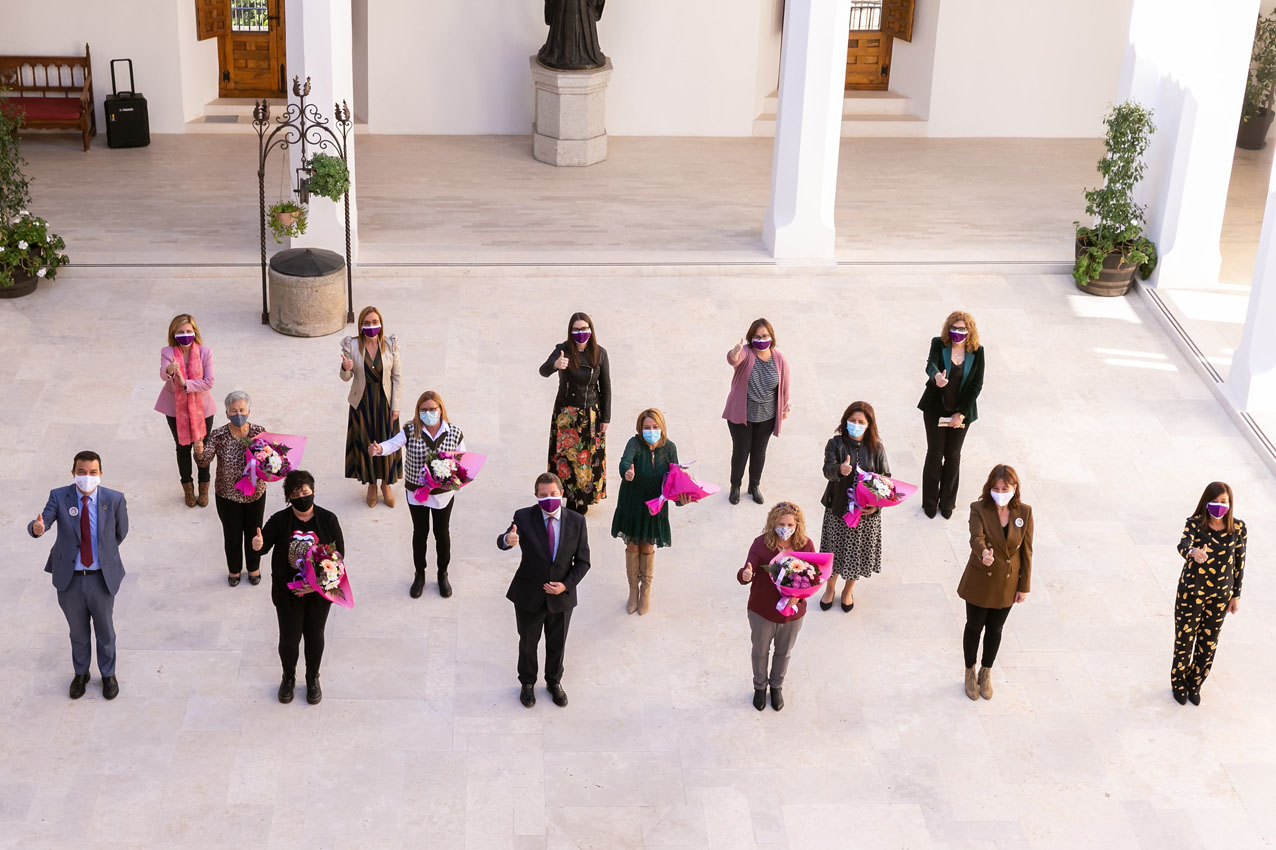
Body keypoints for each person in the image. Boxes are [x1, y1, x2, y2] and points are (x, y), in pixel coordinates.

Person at [26, 451, 129, 700]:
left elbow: (120, 532)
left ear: (101, 474)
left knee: (105, 631)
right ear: (73, 473)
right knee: (78, 631)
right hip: (70, 579)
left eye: (92, 473)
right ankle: (80, 674)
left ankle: (108, 675)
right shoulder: (60, 496)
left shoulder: (114, 500)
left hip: (101, 578)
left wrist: (102, 554)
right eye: (81, 472)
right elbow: (43, 521)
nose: (87, 477)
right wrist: (37, 528)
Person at [498, 472, 592, 708]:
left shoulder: (577, 522)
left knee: (557, 643)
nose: (548, 499)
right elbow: (505, 539)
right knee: (528, 642)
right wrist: (507, 540)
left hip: (561, 597)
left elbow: (583, 562)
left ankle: (554, 681)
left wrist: (565, 585)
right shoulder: (523, 517)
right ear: (536, 496)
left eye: (552, 494)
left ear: (561, 493)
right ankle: (527, 683)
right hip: (529, 594)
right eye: (543, 495)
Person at [252, 470, 345, 705]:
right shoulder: (280, 520)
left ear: (313, 491)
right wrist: (258, 545)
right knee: (289, 639)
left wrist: (314, 585)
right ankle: (288, 677)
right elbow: (263, 547)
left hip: (318, 594)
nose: (301, 497)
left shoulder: (328, 519)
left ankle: (313, 677)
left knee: (315, 636)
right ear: (288, 497)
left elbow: (338, 556)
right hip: (288, 594)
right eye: (295, 493)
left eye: (305, 492)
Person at [369, 390, 466, 599]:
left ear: (440, 409)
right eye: (424, 410)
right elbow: (393, 444)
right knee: (420, 533)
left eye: (433, 409)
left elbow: (463, 460)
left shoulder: (454, 432)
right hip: (417, 493)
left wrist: (456, 476)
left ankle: (442, 573)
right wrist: (379, 449)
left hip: (442, 495)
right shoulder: (410, 430)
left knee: (442, 534)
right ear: (418, 411)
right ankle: (419, 574)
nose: (429, 413)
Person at [956, 464, 1032, 701]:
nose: (1000, 492)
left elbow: (1026, 551)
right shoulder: (979, 508)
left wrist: (1023, 586)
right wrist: (983, 553)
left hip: (1007, 582)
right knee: (974, 626)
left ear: (1014, 488)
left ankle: (985, 672)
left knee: (995, 629)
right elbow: (976, 537)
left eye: (1005, 488)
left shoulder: (1025, 513)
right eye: (996, 488)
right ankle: (969, 670)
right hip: (981, 578)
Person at [1172, 482, 1247, 706]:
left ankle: (1195, 683)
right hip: (1191, 593)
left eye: (1224, 502)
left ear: (1230, 503)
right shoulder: (1195, 524)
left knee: (1209, 642)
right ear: (1206, 502)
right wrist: (1193, 552)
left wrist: (1236, 595)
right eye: (1214, 501)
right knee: (1185, 640)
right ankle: (1179, 683)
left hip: (1220, 597)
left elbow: (1239, 563)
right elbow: (1183, 544)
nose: (1219, 506)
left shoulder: (1238, 528)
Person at [737, 501, 814, 712]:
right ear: (773, 523)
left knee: (784, 651)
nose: (786, 528)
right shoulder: (761, 544)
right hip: (763, 610)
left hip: (792, 613)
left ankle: (776, 686)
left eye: (790, 524)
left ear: (797, 525)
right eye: (782, 523)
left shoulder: (805, 545)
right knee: (760, 651)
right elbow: (747, 572)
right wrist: (745, 575)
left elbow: (813, 577)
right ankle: (759, 687)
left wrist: (797, 598)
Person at [611, 408, 689, 615]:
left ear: (662, 428)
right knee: (633, 545)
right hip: (632, 504)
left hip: (655, 507)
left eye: (655, 427)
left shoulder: (670, 448)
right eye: (646, 427)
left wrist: (682, 499)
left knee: (647, 547)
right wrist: (627, 472)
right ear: (640, 429)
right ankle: (632, 591)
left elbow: (674, 479)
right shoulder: (634, 443)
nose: (651, 431)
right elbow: (624, 461)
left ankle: (645, 590)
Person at [818, 401, 890, 612]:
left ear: (869, 425)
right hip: (838, 509)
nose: (856, 425)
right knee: (833, 552)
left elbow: (886, 481)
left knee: (855, 556)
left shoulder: (877, 448)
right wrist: (840, 469)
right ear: (845, 421)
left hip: (865, 514)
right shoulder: (835, 443)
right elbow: (827, 470)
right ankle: (830, 588)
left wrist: (877, 507)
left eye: (861, 421)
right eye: (852, 420)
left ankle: (848, 591)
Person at [193, 390, 267, 587]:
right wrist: (198, 450)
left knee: (254, 532)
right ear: (226, 414)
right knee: (232, 534)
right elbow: (204, 461)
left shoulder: (259, 432)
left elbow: (269, 460)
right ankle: (234, 570)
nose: (238, 414)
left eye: (242, 410)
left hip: (255, 495)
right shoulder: (218, 435)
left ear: (249, 411)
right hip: (227, 495)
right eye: (233, 410)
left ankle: (254, 568)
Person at [539, 312, 611, 515]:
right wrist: (555, 365)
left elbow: (605, 386)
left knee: (588, 457)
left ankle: (585, 496)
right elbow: (543, 370)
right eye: (577, 329)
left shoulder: (600, 353)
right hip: (566, 413)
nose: (581, 333)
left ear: (591, 330)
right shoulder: (562, 350)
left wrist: (606, 417)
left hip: (591, 413)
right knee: (567, 457)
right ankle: (570, 496)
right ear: (571, 331)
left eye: (584, 328)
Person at [917, 311, 985, 519]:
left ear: (969, 330)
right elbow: (931, 364)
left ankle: (947, 503)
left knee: (953, 456)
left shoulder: (977, 351)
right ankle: (929, 502)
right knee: (935, 454)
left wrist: (961, 414)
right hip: (936, 409)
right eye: (954, 328)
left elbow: (976, 384)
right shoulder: (939, 344)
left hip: (960, 412)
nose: (958, 332)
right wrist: (936, 375)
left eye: (962, 329)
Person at [723, 318, 791, 505]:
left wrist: (784, 408)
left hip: (767, 416)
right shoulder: (746, 353)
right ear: (751, 339)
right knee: (741, 450)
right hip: (742, 414)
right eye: (757, 337)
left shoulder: (779, 359)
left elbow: (784, 386)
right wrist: (734, 353)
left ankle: (754, 486)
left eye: (765, 336)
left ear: (771, 337)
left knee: (759, 451)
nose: (761, 339)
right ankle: (735, 486)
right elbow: (734, 360)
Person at [341, 305, 402, 507]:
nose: (371, 326)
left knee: (386, 441)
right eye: (367, 323)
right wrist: (345, 368)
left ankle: (386, 483)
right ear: (360, 326)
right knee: (365, 442)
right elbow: (346, 377)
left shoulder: (390, 345)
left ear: (381, 323)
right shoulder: (352, 345)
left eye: (374, 322)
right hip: (362, 402)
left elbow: (396, 377)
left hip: (384, 401)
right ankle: (371, 484)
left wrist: (396, 405)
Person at [155, 313, 216, 508]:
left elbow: (209, 382)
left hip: (202, 409)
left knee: (202, 448)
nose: (185, 335)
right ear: (174, 334)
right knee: (182, 447)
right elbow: (163, 375)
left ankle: (204, 487)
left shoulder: (205, 352)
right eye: (180, 332)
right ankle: (188, 488)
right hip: (175, 408)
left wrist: (186, 383)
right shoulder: (168, 352)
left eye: (188, 331)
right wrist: (169, 371)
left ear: (194, 332)